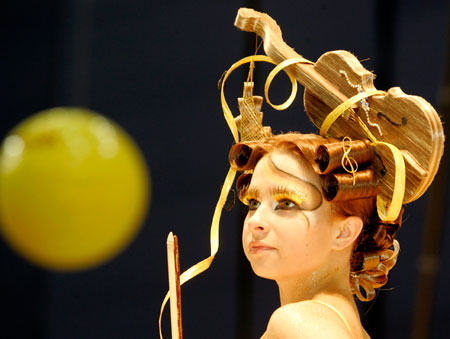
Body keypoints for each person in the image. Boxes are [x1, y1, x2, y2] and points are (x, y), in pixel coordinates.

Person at [229, 133, 399, 338]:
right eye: (253, 203)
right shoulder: (347, 327)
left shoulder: (298, 324)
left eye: (287, 203)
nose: (255, 221)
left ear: (344, 233)